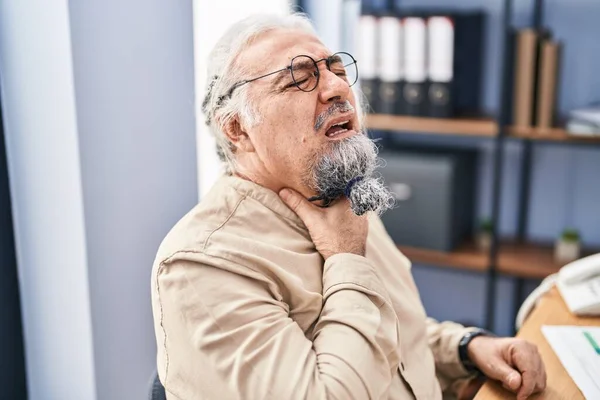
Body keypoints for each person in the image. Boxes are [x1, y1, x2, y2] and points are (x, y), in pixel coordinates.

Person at [150, 13, 546, 400]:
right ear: (237, 129)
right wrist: (345, 257)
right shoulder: (202, 265)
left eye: (337, 70)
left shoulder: (343, 199)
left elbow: (388, 332)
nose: (337, 88)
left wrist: (465, 349)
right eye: (299, 80)